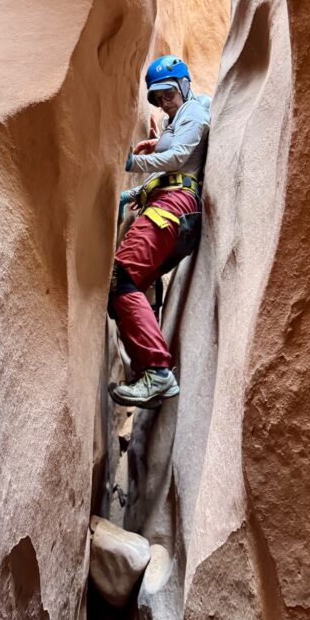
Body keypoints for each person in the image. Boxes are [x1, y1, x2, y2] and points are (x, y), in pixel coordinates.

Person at [108, 55, 210, 408]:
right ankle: (151, 370)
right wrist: (134, 193)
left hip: (173, 208)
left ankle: (157, 373)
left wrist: (131, 163)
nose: (165, 103)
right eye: (158, 98)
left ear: (184, 85)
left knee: (121, 279)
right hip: (172, 206)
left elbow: (180, 158)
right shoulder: (176, 120)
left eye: (169, 94)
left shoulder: (195, 111)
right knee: (136, 285)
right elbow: (171, 168)